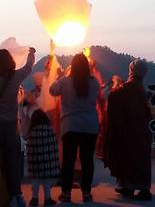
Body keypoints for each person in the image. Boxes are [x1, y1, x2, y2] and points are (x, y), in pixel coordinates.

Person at [0, 47, 36, 207]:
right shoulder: (16, 77)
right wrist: (31, 53)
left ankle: (0, 194)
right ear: (10, 62)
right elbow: (28, 67)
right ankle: (16, 196)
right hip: (11, 126)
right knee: (13, 163)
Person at [49, 53, 100, 203]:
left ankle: (66, 193)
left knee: (68, 160)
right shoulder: (94, 82)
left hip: (70, 125)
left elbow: (52, 91)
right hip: (90, 125)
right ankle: (86, 193)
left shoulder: (65, 81)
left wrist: (59, 76)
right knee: (87, 160)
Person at [103, 59, 153, 201]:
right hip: (143, 130)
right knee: (141, 158)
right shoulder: (142, 90)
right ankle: (136, 187)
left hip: (127, 130)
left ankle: (130, 186)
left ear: (131, 71)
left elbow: (113, 99)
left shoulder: (124, 90)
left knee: (127, 156)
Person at [26, 109, 59, 207]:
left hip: (35, 162)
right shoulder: (50, 130)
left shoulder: (31, 132)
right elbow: (54, 146)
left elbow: (29, 148)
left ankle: (34, 198)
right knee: (47, 180)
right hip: (48, 161)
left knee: (35, 180)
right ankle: (47, 198)